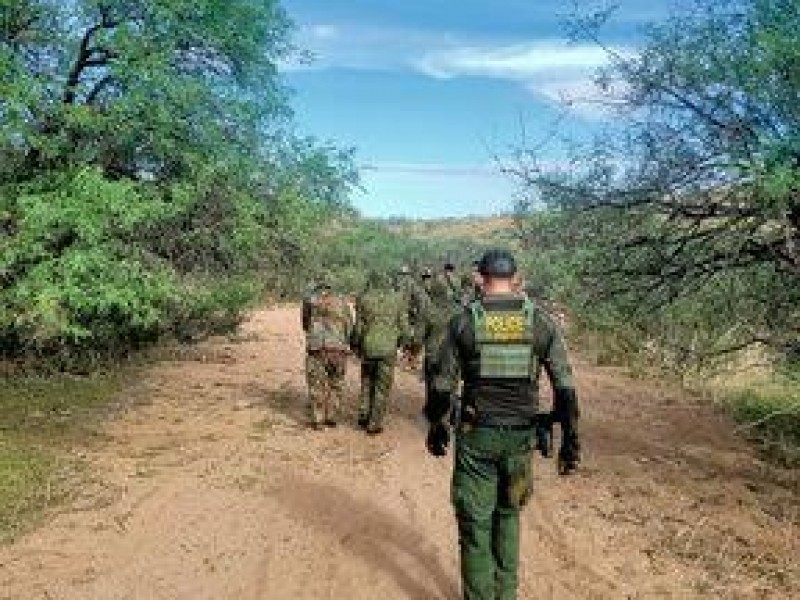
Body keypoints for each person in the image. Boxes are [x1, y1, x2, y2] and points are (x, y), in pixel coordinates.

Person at [424, 248, 581, 600]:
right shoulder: (540, 322)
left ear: (480, 278)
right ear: (516, 279)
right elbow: (565, 385)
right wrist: (571, 439)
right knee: (509, 516)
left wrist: (436, 424)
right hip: (521, 438)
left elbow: (442, 384)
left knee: (475, 525)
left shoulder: (464, 321)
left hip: (477, 436)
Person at [352, 270, 411, 435]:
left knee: (366, 381)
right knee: (382, 387)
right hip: (388, 349)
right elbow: (404, 326)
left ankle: (364, 414)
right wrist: (404, 343)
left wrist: (355, 345)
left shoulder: (364, 299)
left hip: (368, 346)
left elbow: (358, 327)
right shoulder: (397, 299)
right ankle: (374, 423)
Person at [301, 274, 354, 430]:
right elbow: (349, 326)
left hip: (317, 348)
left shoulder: (309, 300)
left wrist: (312, 333)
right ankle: (332, 416)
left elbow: (304, 323)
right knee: (336, 383)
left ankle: (318, 418)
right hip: (338, 349)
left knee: (316, 385)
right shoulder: (343, 301)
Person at [415, 276, 459, 410]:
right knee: (451, 382)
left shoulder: (428, 310)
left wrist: (414, 348)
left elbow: (418, 336)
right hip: (452, 355)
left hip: (433, 354)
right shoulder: (457, 310)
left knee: (431, 382)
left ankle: (432, 407)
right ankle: (448, 410)